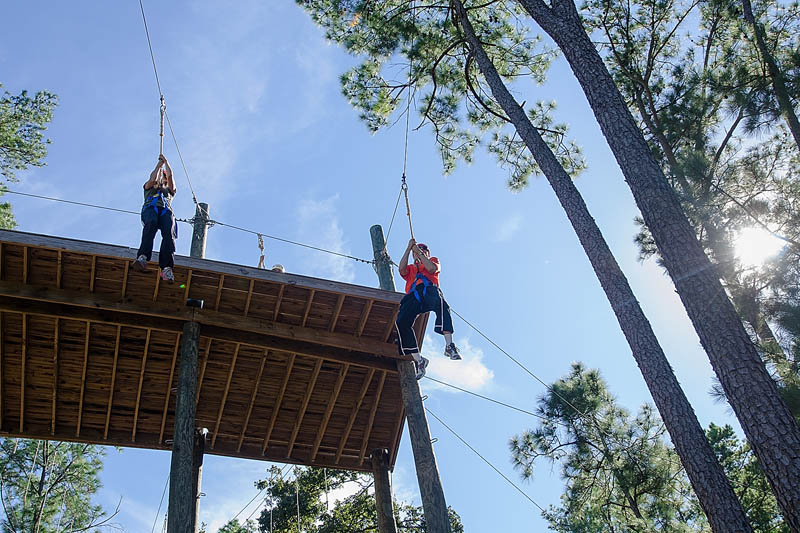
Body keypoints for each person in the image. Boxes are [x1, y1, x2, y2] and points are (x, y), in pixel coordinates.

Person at [395, 238, 461, 380]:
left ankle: (449, 345)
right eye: (419, 250)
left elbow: (431, 268)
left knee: (441, 305)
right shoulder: (411, 269)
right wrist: (408, 249)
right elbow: (401, 269)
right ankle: (419, 360)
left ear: (427, 252)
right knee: (401, 322)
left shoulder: (433, 260)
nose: (420, 252)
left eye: (424, 250)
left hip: (429, 290)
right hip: (413, 295)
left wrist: (419, 253)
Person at [133, 154, 177, 282]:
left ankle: (166, 268)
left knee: (169, 235)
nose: (161, 179)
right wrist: (159, 165)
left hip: (165, 211)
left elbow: (170, 177)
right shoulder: (149, 188)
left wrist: (166, 163)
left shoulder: (169, 191)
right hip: (151, 209)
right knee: (150, 225)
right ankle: (143, 257)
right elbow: (152, 179)